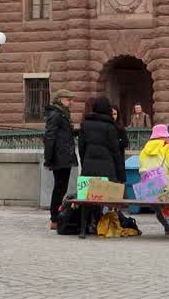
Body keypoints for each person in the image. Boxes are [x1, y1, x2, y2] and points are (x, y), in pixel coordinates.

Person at [42, 89, 77, 230]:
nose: (71, 102)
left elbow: (63, 134)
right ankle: (54, 218)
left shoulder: (62, 114)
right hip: (59, 157)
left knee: (61, 188)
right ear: (60, 100)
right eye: (69, 100)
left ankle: (56, 216)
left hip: (63, 156)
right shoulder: (56, 114)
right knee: (59, 188)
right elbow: (49, 136)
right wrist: (48, 159)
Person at [78, 97, 124, 184]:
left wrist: (84, 163)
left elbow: (81, 148)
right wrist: (120, 174)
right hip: (107, 169)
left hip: (88, 167)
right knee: (106, 196)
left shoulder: (85, 125)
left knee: (88, 195)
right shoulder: (110, 127)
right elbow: (115, 151)